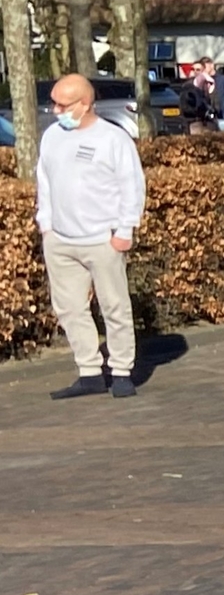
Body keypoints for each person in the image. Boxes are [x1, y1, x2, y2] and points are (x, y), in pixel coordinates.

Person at [33, 72, 146, 399]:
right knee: (69, 307)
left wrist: (124, 230)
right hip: (61, 239)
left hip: (102, 238)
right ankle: (89, 371)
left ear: (85, 104)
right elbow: (46, 181)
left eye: (62, 104)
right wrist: (47, 224)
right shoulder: (52, 136)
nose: (55, 110)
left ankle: (122, 370)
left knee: (114, 306)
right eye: (53, 103)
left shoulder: (113, 139)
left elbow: (131, 186)